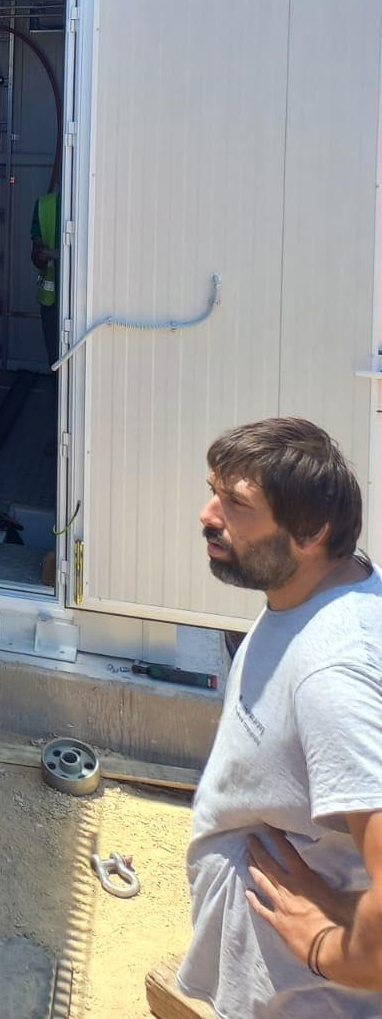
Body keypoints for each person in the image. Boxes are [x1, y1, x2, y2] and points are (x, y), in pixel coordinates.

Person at [177, 416, 382, 1016]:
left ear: (312, 531)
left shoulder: (333, 675)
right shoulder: (329, 590)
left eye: (235, 504)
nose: (207, 514)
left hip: (299, 998)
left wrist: (328, 949)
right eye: (214, 490)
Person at [30, 189, 60, 367]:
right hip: (53, 301)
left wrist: (47, 254)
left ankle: (58, 392)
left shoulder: (44, 205)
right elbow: (37, 257)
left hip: (52, 301)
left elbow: (36, 257)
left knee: (56, 360)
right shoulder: (45, 205)